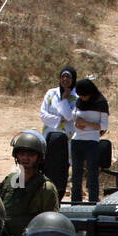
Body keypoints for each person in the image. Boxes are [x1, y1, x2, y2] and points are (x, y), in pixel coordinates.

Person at [0, 131, 60, 236]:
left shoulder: (46, 188)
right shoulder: (10, 181)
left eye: (30, 154)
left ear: (38, 158)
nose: (25, 158)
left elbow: (51, 229)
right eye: (21, 153)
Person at [39, 66, 77, 195]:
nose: (65, 79)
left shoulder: (76, 97)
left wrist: (65, 99)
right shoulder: (51, 93)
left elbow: (70, 116)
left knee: (62, 168)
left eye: (68, 77)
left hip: (66, 138)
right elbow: (43, 115)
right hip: (49, 136)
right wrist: (59, 119)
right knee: (47, 165)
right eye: (63, 76)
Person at [70, 78, 108, 204]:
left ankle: (92, 201)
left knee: (92, 173)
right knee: (76, 174)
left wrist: (86, 123)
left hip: (92, 140)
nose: (83, 98)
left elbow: (103, 126)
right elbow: (74, 115)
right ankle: (75, 201)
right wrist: (77, 123)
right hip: (77, 140)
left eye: (85, 95)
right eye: (80, 95)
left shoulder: (101, 102)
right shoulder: (79, 101)